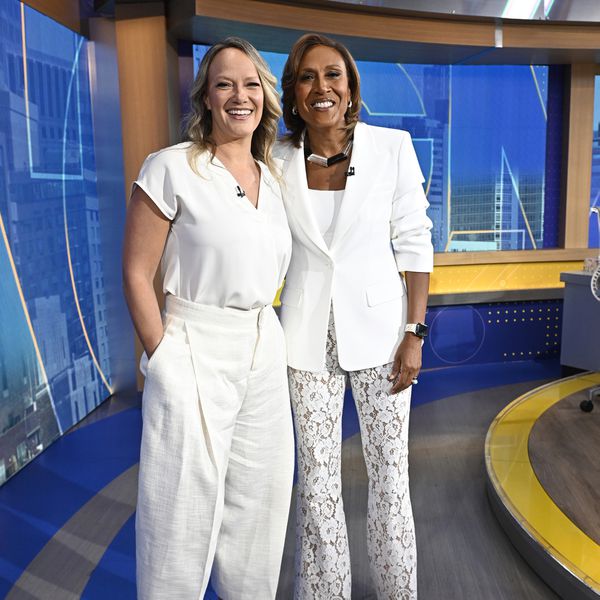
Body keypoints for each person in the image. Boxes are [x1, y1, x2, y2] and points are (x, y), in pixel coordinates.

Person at [123, 37, 294, 600]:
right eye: (224, 83)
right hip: (194, 342)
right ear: (206, 97)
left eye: (250, 84)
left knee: (261, 506)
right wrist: (163, 357)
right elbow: (135, 271)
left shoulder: (275, 180)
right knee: (180, 510)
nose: (238, 96)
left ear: (265, 97)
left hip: (263, 345)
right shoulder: (171, 167)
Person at [275, 33, 434, 599]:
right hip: (303, 340)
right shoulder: (272, 159)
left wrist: (414, 333)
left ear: (350, 87)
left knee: (390, 480)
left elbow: (415, 245)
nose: (322, 87)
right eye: (307, 77)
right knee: (316, 484)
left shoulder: (391, 147)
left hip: (385, 338)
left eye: (333, 75)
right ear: (294, 94)